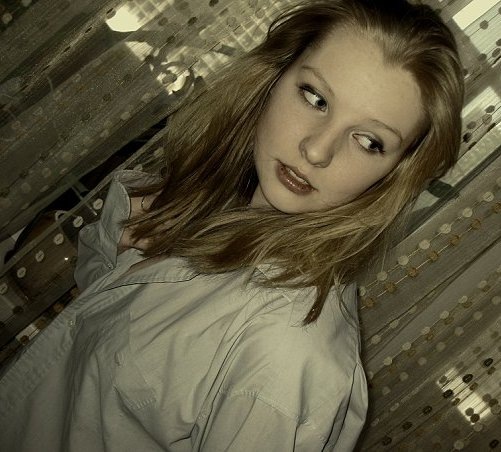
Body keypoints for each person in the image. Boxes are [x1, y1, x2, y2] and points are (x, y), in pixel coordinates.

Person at [0, 0, 463, 450]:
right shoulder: (221, 204)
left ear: (395, 172)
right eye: (315, 97)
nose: (317, 150)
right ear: (275, 75)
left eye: (368, 141)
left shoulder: (285, 355)